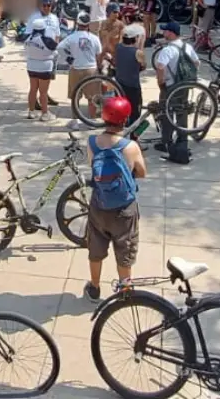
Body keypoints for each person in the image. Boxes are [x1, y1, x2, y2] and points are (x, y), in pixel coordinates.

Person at [81, 96, 146, 302]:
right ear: (125, 119)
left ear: (104, 116)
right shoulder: (131, 147)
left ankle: (94, 287)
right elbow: (142, 172)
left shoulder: (92, 143)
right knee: (124, 249)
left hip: (99, 205)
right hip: (124, 209)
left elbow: (93, 166)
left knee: (96, 248)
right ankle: (124, 292)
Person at [153, 22, 199, 163]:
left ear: (171, 33)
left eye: (165, 31)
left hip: (170, 86)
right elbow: (197, 63)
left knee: (166, 113)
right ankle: (182, 139)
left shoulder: (168, 50)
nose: (163, 33)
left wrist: (161, 82)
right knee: (182, 111)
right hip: (184, 86)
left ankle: (166, 142)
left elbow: (160, 67)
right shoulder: (187, 46)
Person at [60, 16, 103, 129]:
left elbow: (60, 47)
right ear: (88, 25)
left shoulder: (71, 37)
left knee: (75, 97)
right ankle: (92, 121)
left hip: (76, 68)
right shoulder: (94, 38)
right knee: (92, 97)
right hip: (91, 69)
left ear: (77, 24)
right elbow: (99, 54)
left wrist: (68, 58)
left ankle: (75, 122)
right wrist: (99, 67)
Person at [24, 18, 58, 121]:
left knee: (33, 89)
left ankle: (31, 112)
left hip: (31, 67)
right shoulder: (47, 40)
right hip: (44, 67)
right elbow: (56, 49)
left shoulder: (28, 39)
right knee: (43, 92)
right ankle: (45, 114)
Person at [112, 27, 146, 121]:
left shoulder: (118, 47)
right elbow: (143, 66)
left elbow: (115, 61)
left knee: (120, 109)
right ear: (134, 38)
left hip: (119, 84)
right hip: (133, 86)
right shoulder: (138, 52)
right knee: (135, 112)